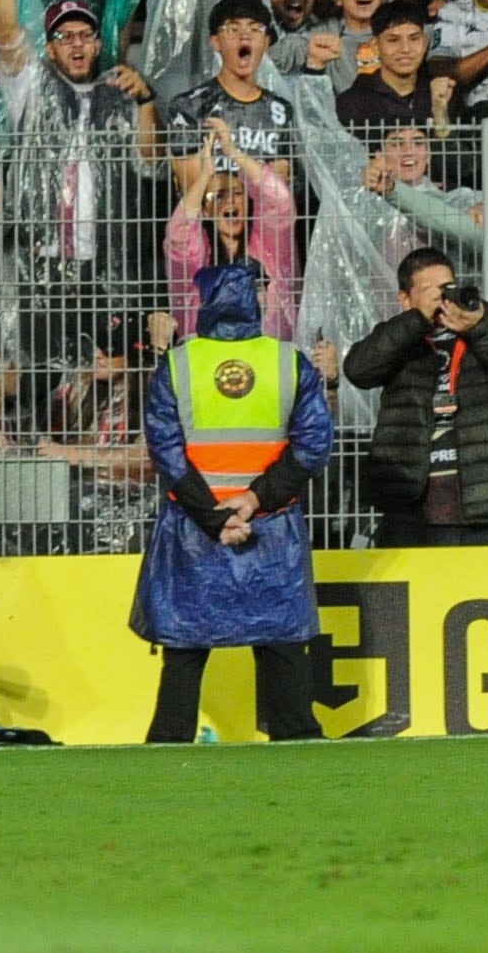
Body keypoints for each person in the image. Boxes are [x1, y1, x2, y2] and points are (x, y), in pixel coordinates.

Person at [136, 259, 338, 743]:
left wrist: (214, 516)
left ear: (205, 302)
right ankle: (300, 750)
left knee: (184, 647)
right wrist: (253, 499)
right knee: (282, 644)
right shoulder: (288, 361)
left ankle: (166, 754)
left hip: (195, 526)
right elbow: (313, 444)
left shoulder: (178, 364)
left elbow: (165, 449)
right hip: (271, 526)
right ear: (255, 301)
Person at [340, 249, 488, 546]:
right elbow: (358, 370)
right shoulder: (399, 336)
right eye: (428, 290)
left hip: (478, 505)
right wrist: (416, 321)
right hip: (409, 508)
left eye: (447, 287)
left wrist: (480, 330)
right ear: (405, 299)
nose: (441, 297)